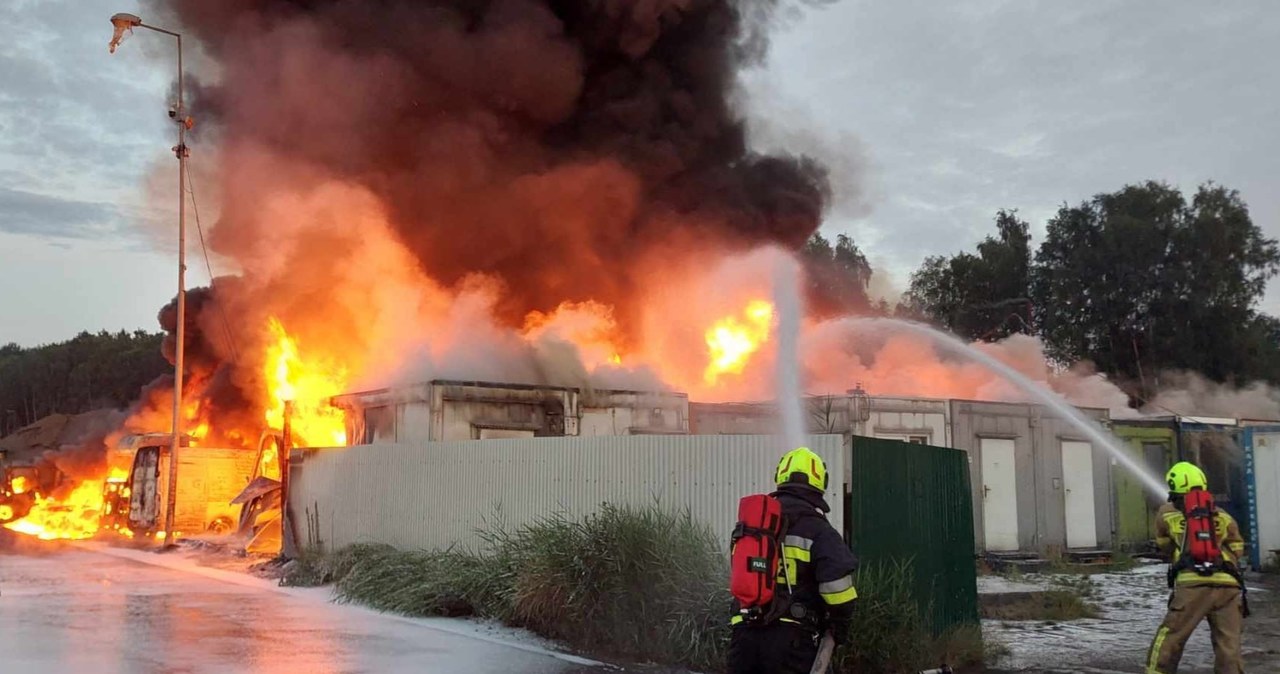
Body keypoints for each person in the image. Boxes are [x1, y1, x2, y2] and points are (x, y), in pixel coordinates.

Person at [728, 447, 859, 674]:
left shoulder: (751, 528)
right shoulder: (819, 531)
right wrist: (839, 627)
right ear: (820, 482)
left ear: (780, 477)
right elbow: (839, 593)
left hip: (744, 637)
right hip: (792, 644)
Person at [1145, 461, 1247, 674]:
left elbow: (1164, 545)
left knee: (1171, 636)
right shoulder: (1222, 514)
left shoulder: (1167, 512)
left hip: (1193, 584)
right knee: (1229, 646)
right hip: (1229, 586)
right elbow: (1237, 547)